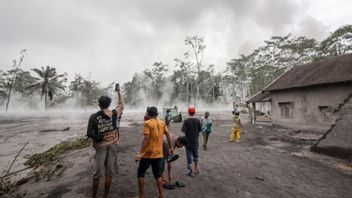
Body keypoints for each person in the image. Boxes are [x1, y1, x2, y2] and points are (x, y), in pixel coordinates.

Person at [86, 87, 123, 198]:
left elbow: (89, 133)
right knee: (109, 174)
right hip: (112, 145)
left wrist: (100, 136)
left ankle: (94, 196)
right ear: (109, 104)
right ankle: (105, 196)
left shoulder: (94, 117)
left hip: (101, 147)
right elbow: (121, 104)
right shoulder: (114, 113)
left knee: (97, 174)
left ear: (99, 104)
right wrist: (119, 92)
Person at [135, 106, 174, 198]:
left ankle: (141, 195)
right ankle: (161, 195)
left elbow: (146, 138)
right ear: (156, 114)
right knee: (158, 175)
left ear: (148, 114)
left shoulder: (147, 123)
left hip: (148, 154)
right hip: (159, 154)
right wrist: (171, 147)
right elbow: (168, 135)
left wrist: (140, 153)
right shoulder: (162, 123)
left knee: (141, 173)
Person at [181, 105, 202, 177]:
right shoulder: (197, 120)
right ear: (194, 112)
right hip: (195, 141)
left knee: (189, 157)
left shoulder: (186, 121)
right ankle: (196, 169)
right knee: (196, 156)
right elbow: (200, 130)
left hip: (188, 142)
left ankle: (192, 172)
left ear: (188, 112)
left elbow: (183, 131)